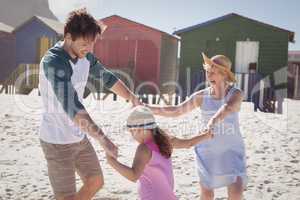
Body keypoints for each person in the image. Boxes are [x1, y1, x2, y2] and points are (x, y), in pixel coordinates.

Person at [38, 8, 140, 200]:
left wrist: (131, 97)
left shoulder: (86, 57)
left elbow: (107, 78)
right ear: (68, 37)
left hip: (78, 137)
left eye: (92, 44)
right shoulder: (54, 61)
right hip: (56, 140)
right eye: (85, 44)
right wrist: (104, 140)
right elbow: (73, 107)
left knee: (95, 180)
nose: (90, 49)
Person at [147, 53, 247, 200]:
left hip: (231, 150)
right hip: (206, 150)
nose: (209, 75)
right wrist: (149, 108)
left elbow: (228, 107)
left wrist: (213, 120)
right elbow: (176, 110)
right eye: (208, 71)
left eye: (214, 71)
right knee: (206, 194)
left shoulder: (236, 93)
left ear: (225, 74)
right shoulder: (202, 96)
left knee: (236, 193)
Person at [106, 106, 213, 200]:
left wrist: (112, 162)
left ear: (144, 128)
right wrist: (206, 135)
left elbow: (134, 175)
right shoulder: (165, 140)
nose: (133, 136)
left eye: (134, 131)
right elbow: (188, 143)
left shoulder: (144, 149)